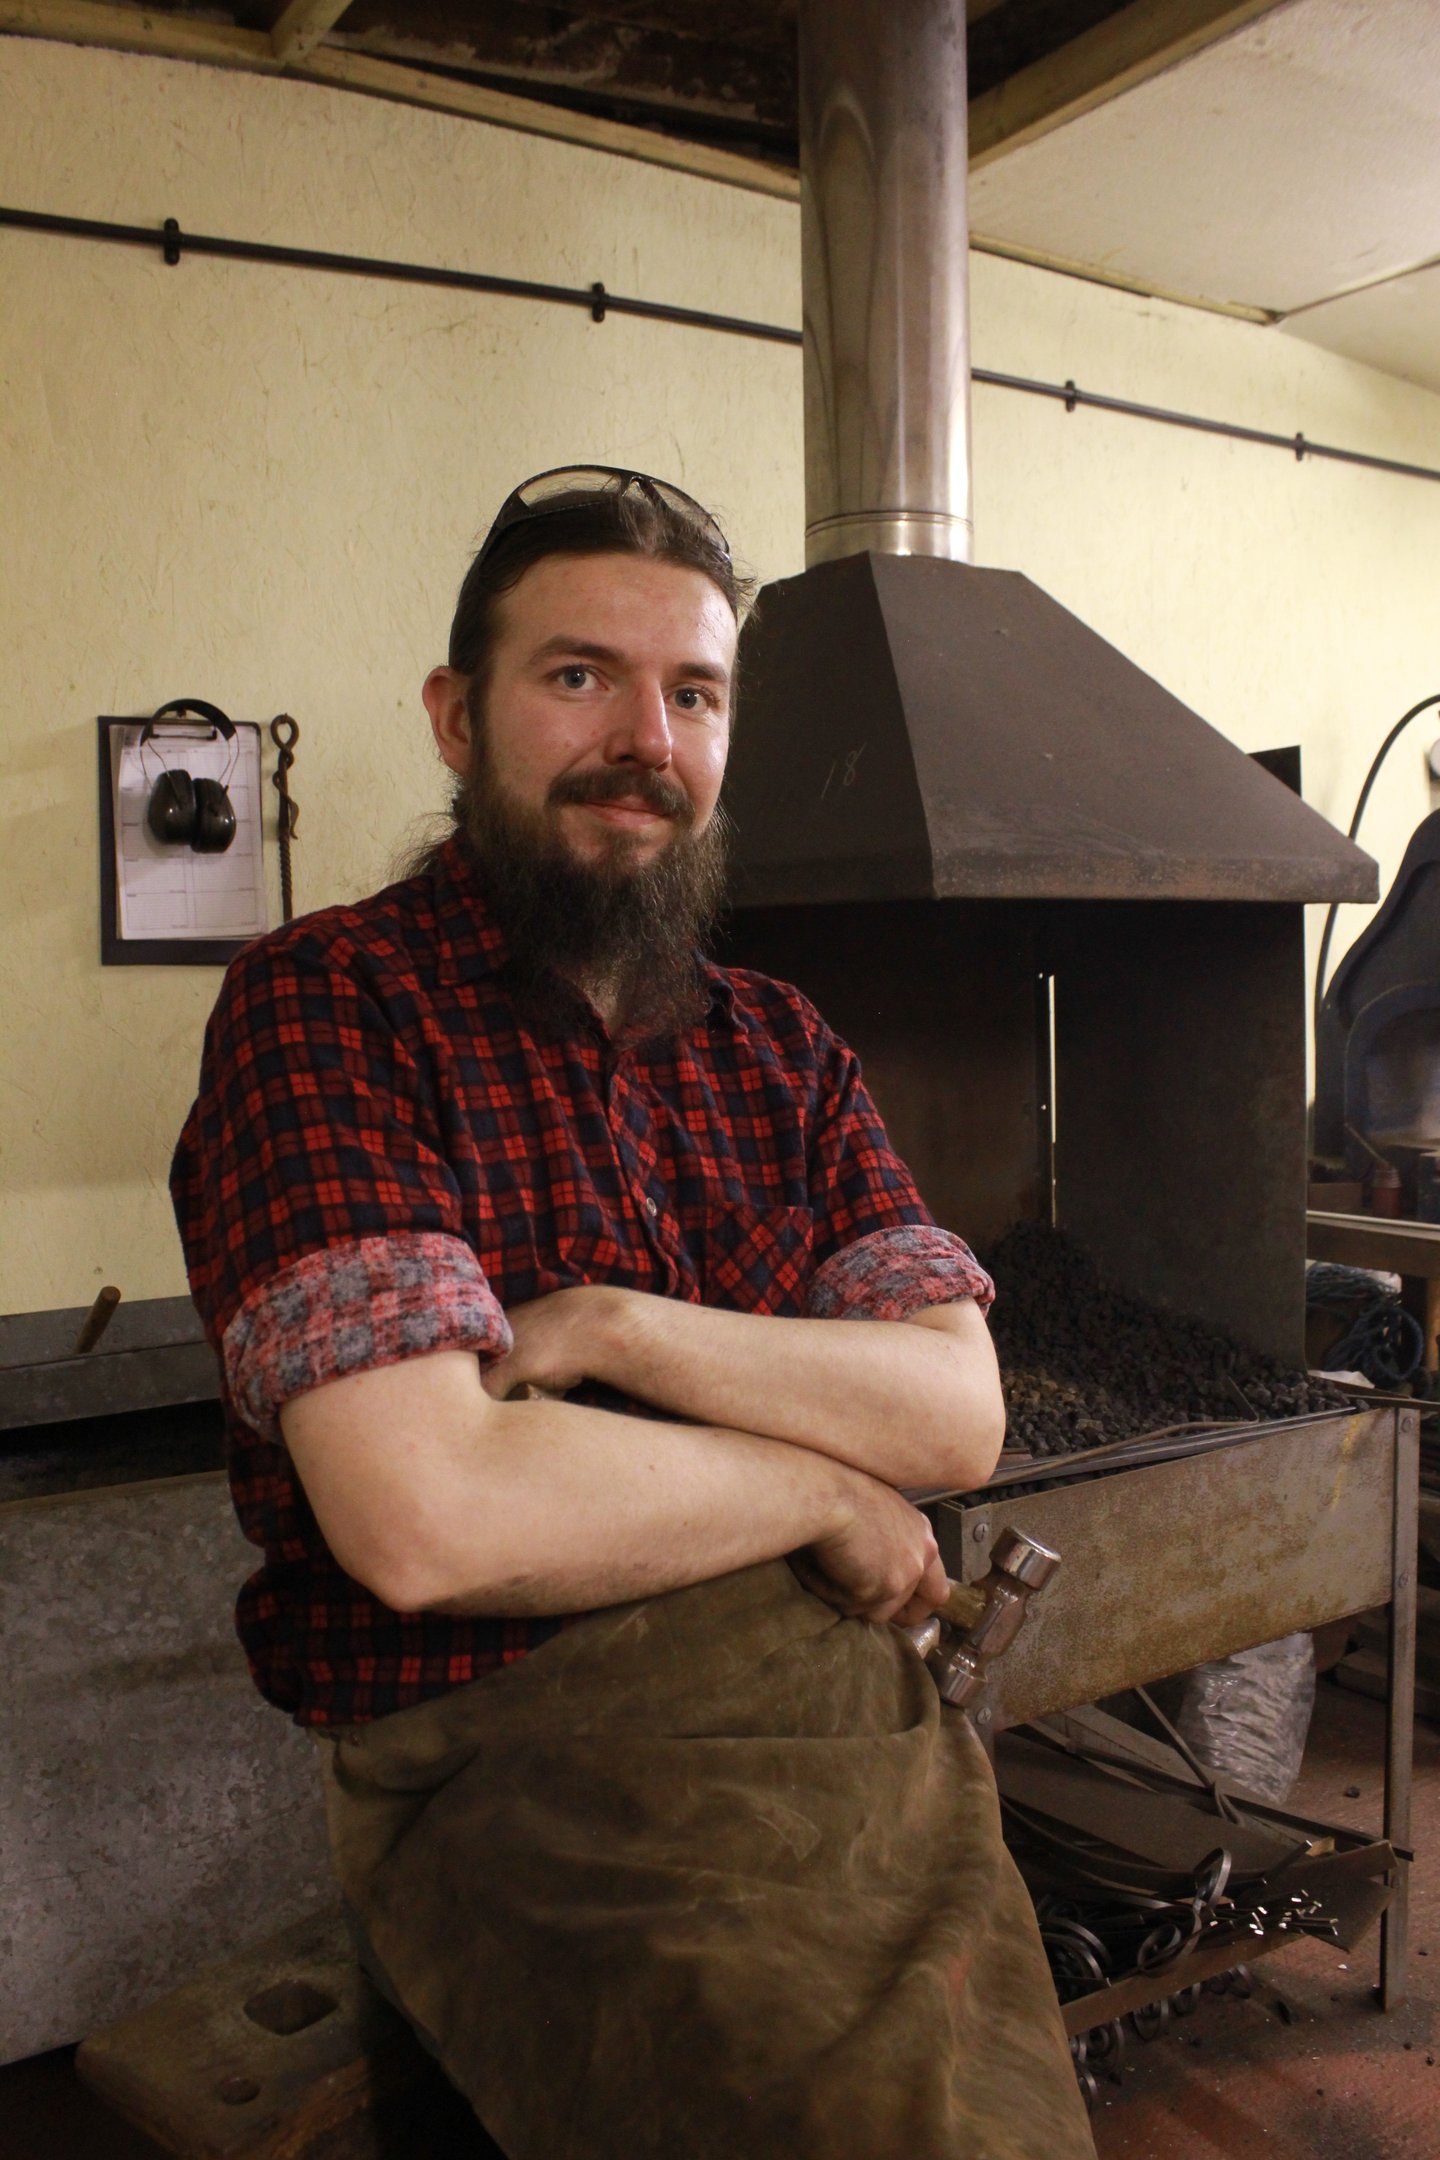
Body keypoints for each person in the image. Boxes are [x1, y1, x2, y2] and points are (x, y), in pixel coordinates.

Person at [172, 467, 1095, 2160]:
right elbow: (430, 1515)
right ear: (460, 716)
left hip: (853, 1732)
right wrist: (823, 1484)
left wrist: (612, 1326)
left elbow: (956, 1420)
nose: (643, 739)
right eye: (578, 676)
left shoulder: (781, 1047)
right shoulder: (326, 1010)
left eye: (693, 694)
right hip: (518, 1760)